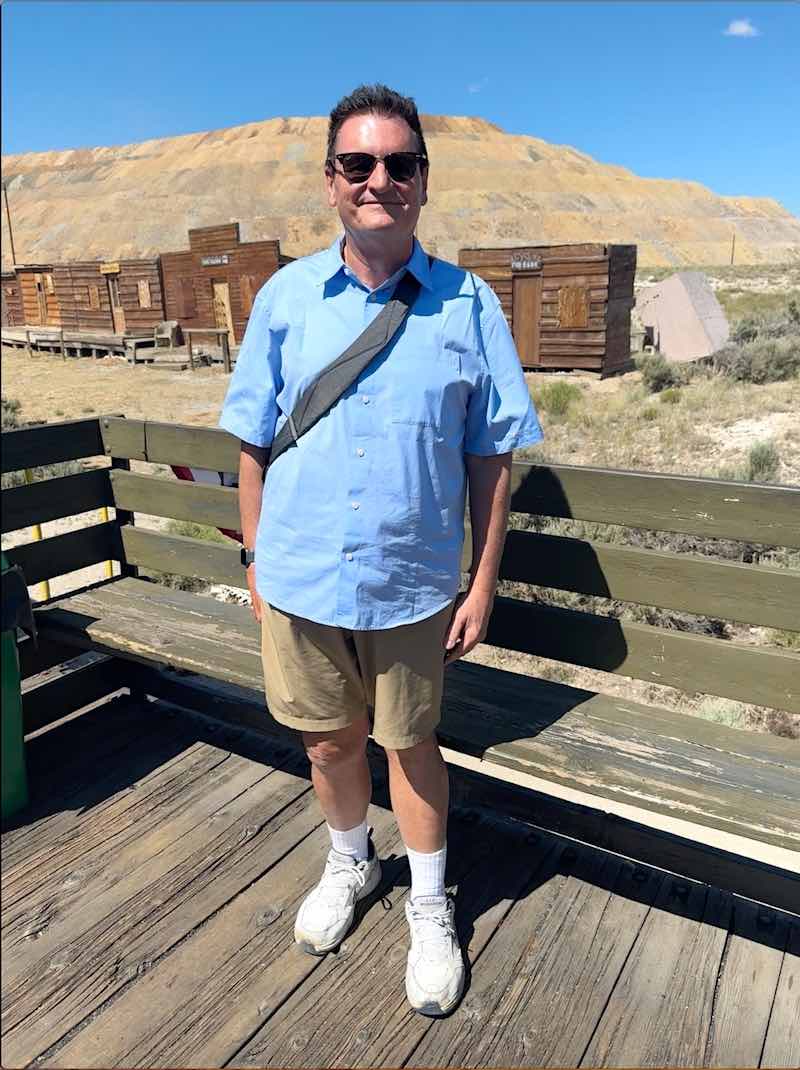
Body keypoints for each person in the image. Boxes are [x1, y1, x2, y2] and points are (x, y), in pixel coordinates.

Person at [218, 83, 543, 1017]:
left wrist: (482, 582)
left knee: (409, 742)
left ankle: (432, 906)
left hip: (414, 582)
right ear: (330, 183)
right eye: (358, 164)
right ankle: (352, 863)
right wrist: (254, 563)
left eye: (399, 164)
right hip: (301, 573)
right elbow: (249, 444)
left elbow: (492, 459)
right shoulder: (284, 299)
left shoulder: (468, 305)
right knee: (328, 739)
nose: (379, 181)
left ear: (422, 182)